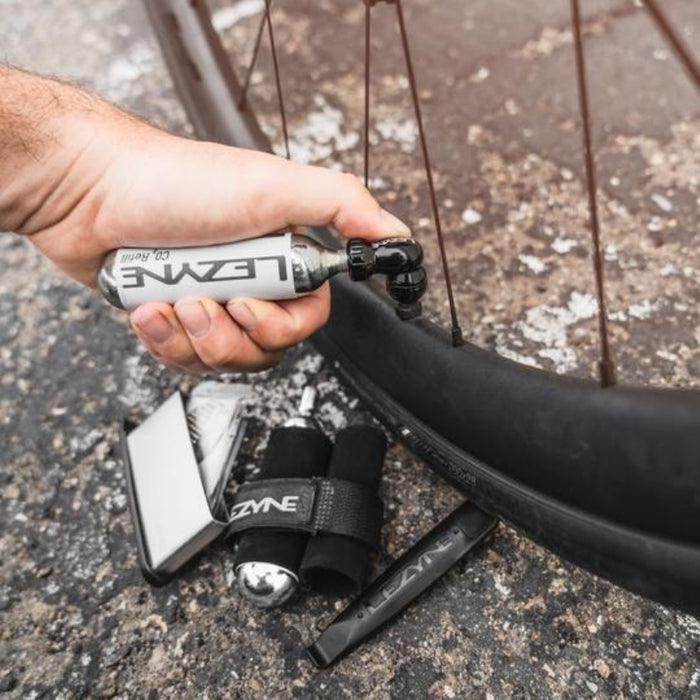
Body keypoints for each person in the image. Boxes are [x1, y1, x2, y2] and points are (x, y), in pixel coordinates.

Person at [0, 65, 410, 373]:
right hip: (119, 264)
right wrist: (73, 183)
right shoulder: (308, 258)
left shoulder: (309, 259)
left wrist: (76, 183)